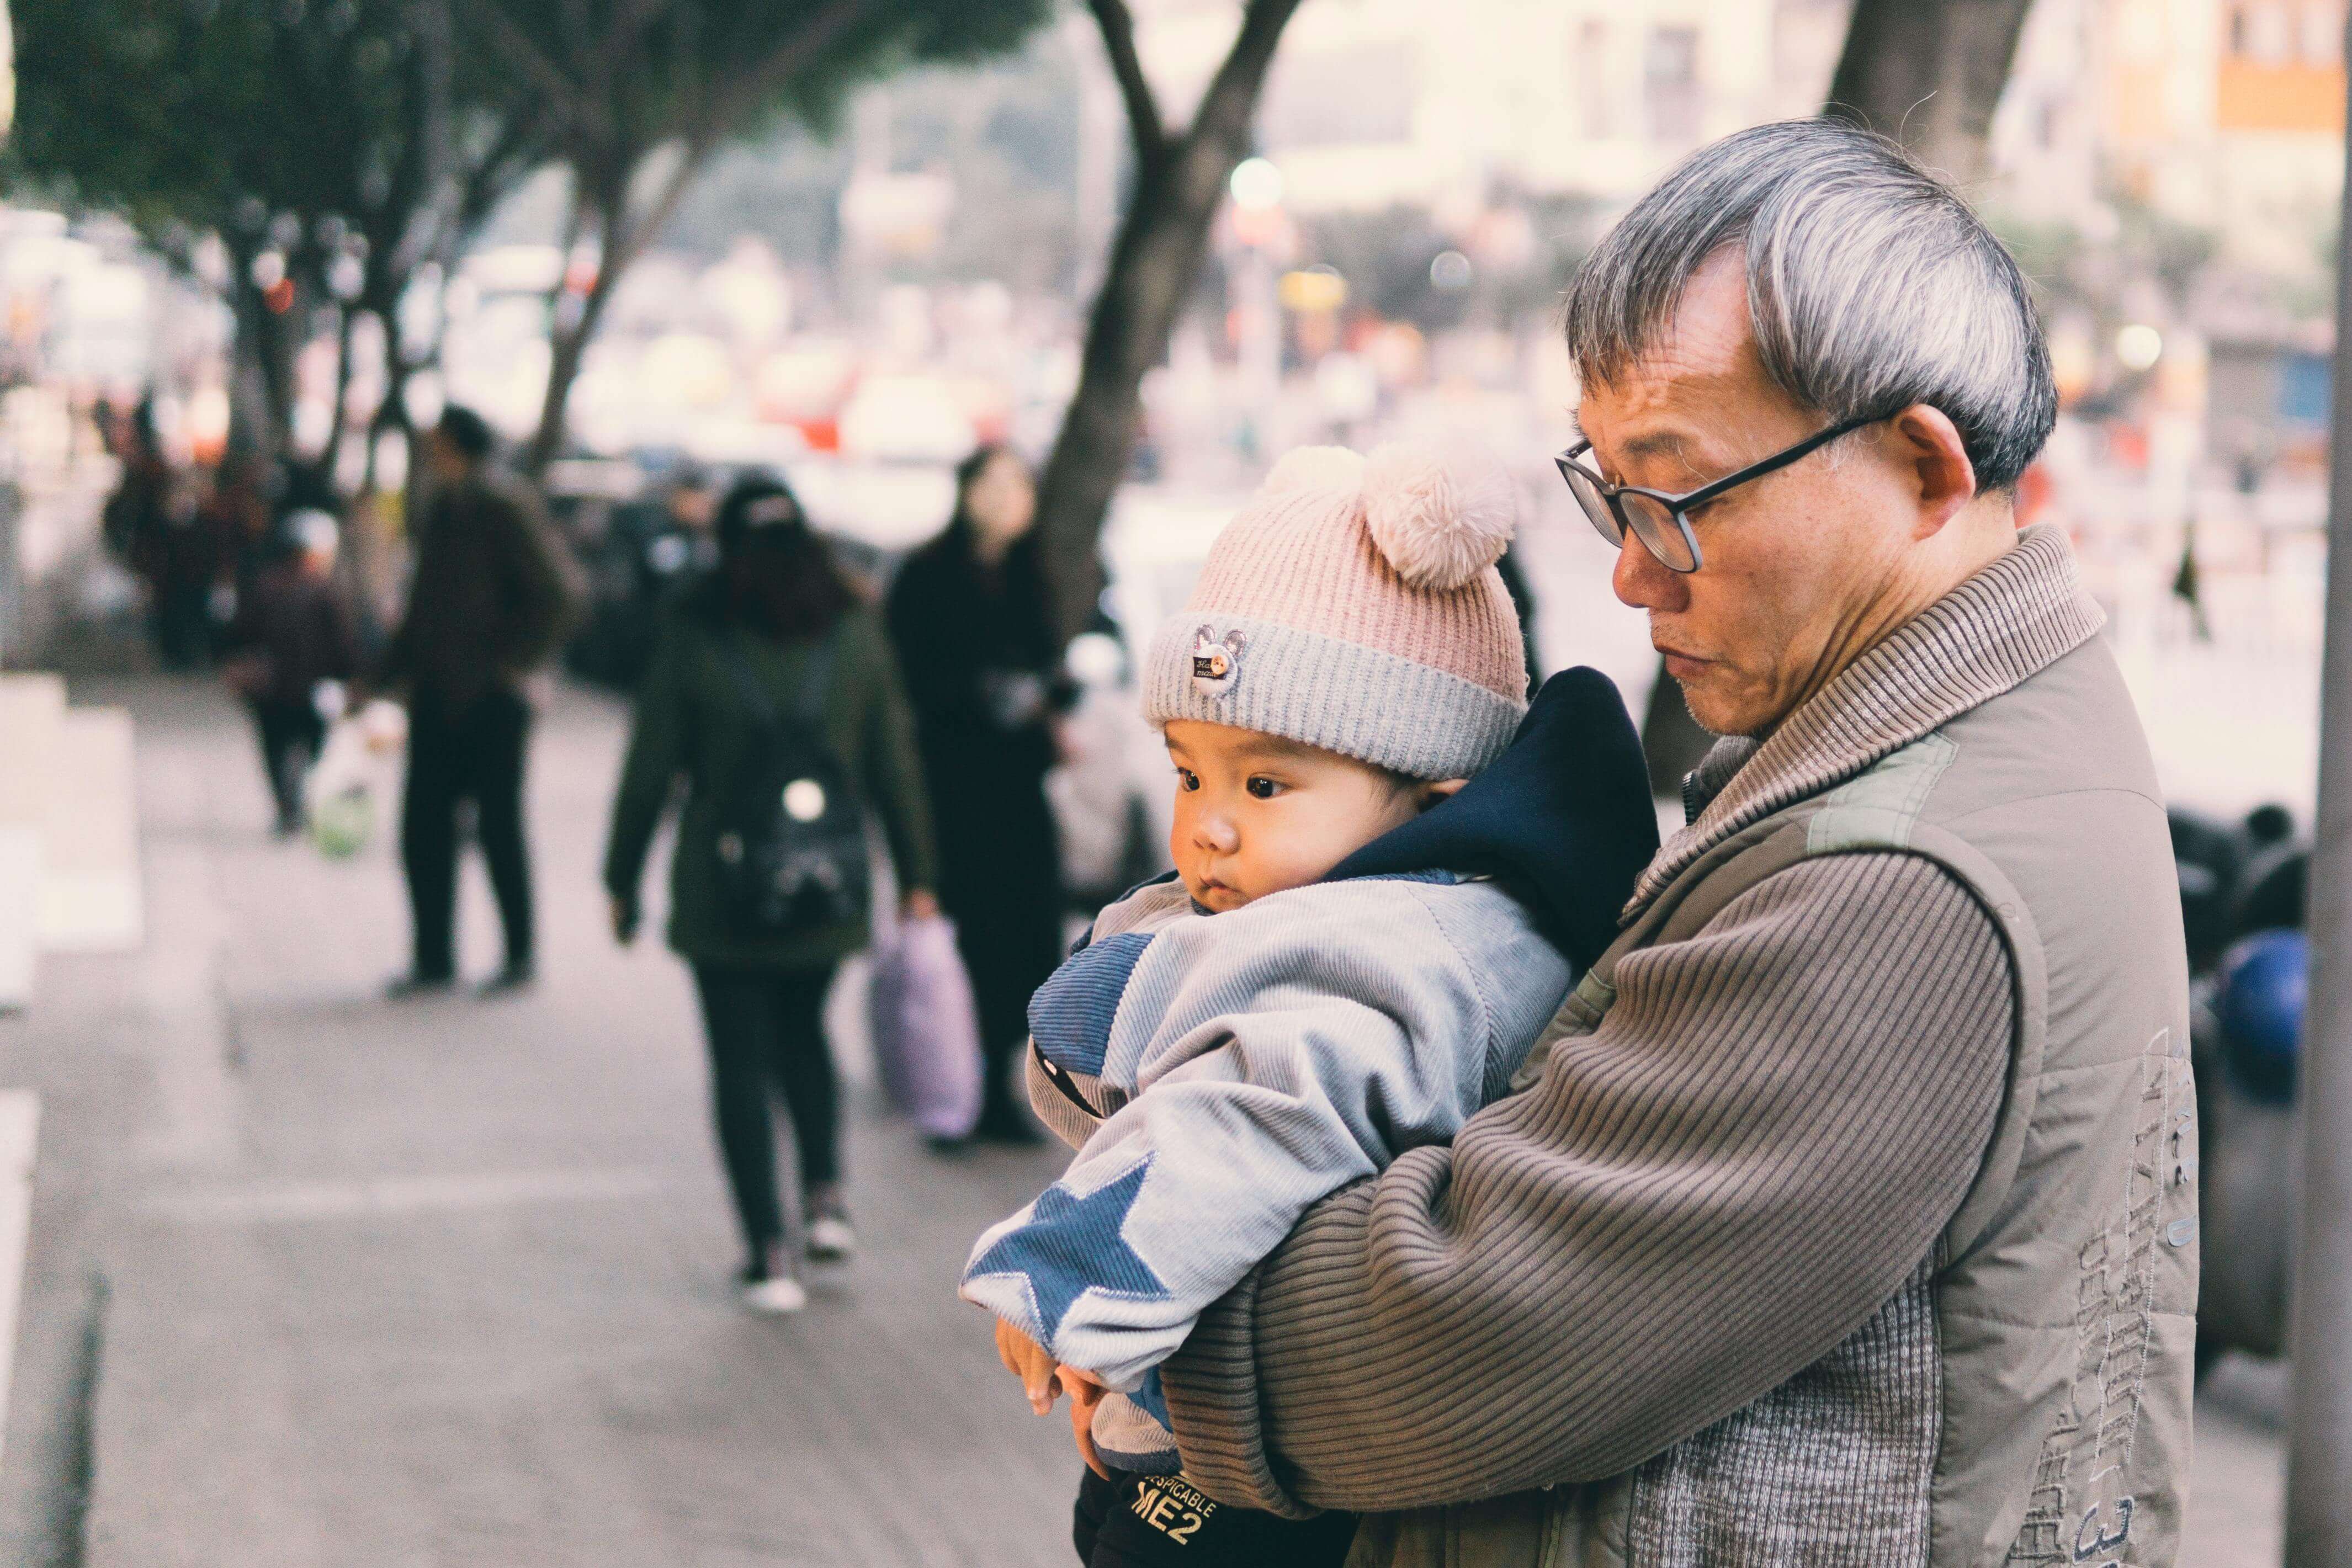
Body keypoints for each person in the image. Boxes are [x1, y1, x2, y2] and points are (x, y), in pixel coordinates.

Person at [1154, 120, 2198, 1566]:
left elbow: (1477, 1335)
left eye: (1674, 496)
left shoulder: (1900, 882)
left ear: (1920, 467)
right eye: (1607, 493)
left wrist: (1143, 1301)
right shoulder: (1988, 736)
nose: (1632, 573)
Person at [960, 443, 1658, 1568]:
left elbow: (1255, 1107)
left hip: (1254, 1500)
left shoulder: (1391, 954)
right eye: (1189, 772)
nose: (1208, 825)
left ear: (1429, 792)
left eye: (1265, 783)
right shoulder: (1362, 907)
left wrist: (1066, 1276)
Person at [604, 475, 941, 1314]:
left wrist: (620, 879)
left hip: (723, 891)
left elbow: (650, 767)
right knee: (805, 1036)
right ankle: (824, 1200)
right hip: (828, 885)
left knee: (740, 1062)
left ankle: (769, 1253)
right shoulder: (854, 626)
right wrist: (917, 875)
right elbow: (894, 759)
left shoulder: (696, 627)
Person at [886, 445, 1071, 1144]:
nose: (1004, 498)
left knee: (1021, 941)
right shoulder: (926, 575)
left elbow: (1054, 663)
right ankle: (947, 1089)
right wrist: (981, 694)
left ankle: (998, 1088)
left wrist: (1046, 699)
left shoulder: (1032, 575)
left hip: (1019, 789)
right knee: (960, 938)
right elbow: (906, 679)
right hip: (953, 786)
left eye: (1017, 484)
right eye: (991, 483)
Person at [378, 406, 577, 997]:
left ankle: (519, 953)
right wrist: (382, 676)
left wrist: (515, 665)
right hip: (438, 694)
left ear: (456, 444)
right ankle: (433, 957)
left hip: (491, 698)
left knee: (498, 829)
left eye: (436, 442)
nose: (428, 452)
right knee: (425, 832)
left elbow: (561, 594)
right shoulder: (444, 505)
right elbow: (425, 607)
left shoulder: (500, 503)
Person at [220, 510, 360, 835]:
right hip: (305, 689)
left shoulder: (265, 587)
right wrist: (352, 678)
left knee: (277, 750)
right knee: (308, 747)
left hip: (274, 689)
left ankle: (289, 806)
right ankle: (295, 804)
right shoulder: (325, 593)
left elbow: (239, 634)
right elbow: (344, 645)